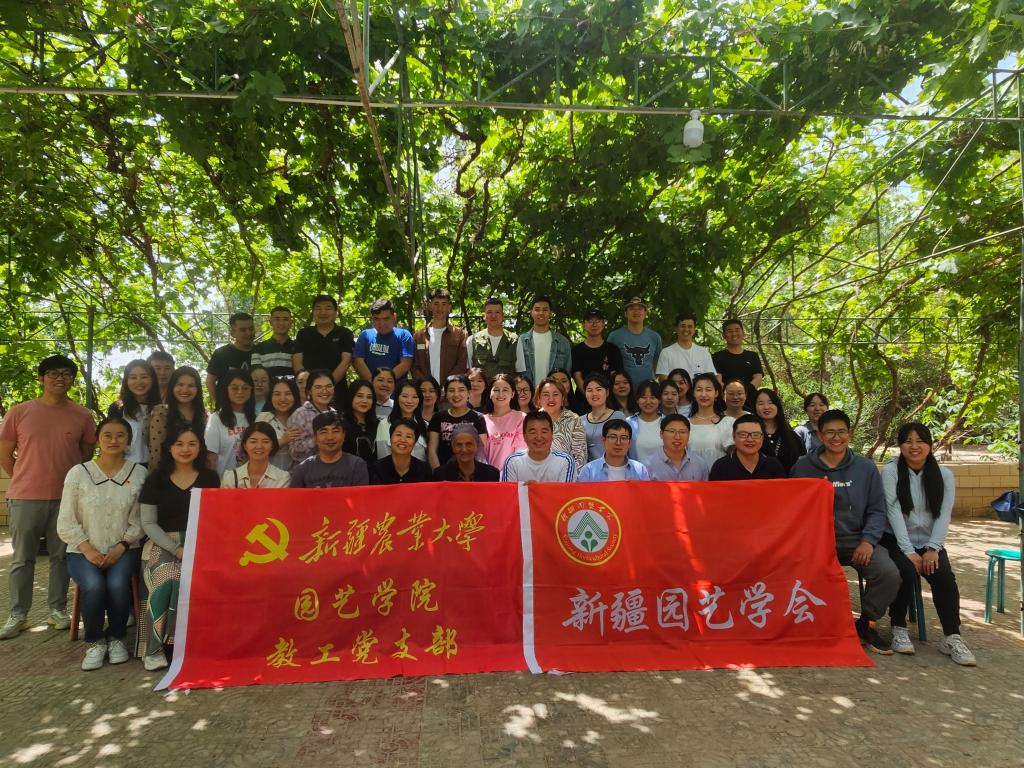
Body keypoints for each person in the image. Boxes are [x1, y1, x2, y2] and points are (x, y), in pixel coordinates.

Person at [0, 355, 97, 640]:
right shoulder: (19, 412)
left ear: (72, 380)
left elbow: (85, 454)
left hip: (67, 499)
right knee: (22, 558)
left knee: (61, 557)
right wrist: (24, 476)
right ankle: (18, 614)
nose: (59, 378)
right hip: (25, 497)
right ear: (41, 378)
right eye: (53, 373)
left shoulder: (82, 415)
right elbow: (4, 453)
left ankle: (57, 610)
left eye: (66, 373)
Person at [791, 409, 901, 654]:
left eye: (841, 432)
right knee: (793, 571)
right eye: (829, 432)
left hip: (855, 540)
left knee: (888, 573)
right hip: (816, 542)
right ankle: (811, 624)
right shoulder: (803, 467)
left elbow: (877, 509)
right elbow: (793, 507)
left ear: (849, 434)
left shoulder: (865, 468)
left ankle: (867, 624)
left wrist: (868, 541)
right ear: (820, 435)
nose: (836, 437)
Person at [879, 423, 975, 664]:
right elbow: (893, 512)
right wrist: (908, 551)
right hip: (896, 540)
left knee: (944, 577)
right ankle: (898, 628)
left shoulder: (944, 475)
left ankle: (952, 636)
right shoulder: (891, 471)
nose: (914, 446)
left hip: (930, 543)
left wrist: (934, 548)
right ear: (900, 445)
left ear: (930, 445)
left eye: (920, 441)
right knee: (906, 571)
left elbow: (944, 514)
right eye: (908, 441)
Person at [57, 415, 146, 670]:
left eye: (120, 435)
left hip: (125, 549)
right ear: (97, 439)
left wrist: (122, 546)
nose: (113, 440)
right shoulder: (79, 473)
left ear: (129, 440)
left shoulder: (139, 473)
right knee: (94, 586)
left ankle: (116, 637)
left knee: (117, 585)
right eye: (107, 435)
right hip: (82, 551)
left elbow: (140, 520)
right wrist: (87, 549)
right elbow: (65, 520)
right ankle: (95, 641)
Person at [137, 426, 220, 669]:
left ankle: (195, 646)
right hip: (162, 542)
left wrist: (198, 545)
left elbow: (215, 517)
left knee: (206, 578)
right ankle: (155, 649)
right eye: (179, 444)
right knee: (169, 577)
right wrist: (176, 549)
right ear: (169, 448)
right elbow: (148, 523)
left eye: (192, 444)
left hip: (202, 541)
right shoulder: (155, 479)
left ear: (200, 448)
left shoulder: (210, 478)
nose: (185, 449)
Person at [147, 366, 207, 471]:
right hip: (167, 473)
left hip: (197, 472)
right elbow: (156, 452)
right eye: (180, 385)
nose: (185, 390)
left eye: (191, 386)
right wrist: (156, 478)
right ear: (172, 387)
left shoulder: (202, 415)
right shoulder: (161, 412)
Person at [290, 412, 369, 488]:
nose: (330, 437)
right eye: (324, 432)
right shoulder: (302, 469)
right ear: (315, 438)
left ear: (344, 435)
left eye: (335, 431)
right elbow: (295, 497)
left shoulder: (357, 465)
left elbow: (361, 496)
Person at [428, 374, 488, 469]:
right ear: (446, 393)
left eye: (461, 390)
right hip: (443, 471)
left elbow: (481, 452)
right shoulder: (438, 417)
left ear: (469, 393)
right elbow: (432, 451)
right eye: (451, 391)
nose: (456, 395)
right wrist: (439, 473)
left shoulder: (478, 418)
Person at [108, 359, 161, 465]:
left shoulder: (161, 409)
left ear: (153, 380)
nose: (139, 382)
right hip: (123, 466)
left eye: (144, 377)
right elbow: (110, 439)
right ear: (126, 381)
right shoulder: (118, 408)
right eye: (133, 377)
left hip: (154, 467)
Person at [292, 294, 354, 384]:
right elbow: (297, 362)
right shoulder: (303, 334)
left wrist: (328, 385)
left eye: (328, 308)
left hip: (337, 387)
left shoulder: (345, 333)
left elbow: (346, 362)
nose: (323, 312)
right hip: (308, 387)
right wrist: (310, 385)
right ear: (313, 312)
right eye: (318, 308)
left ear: (335, 312)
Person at [411, 288, 469, 383]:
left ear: (449, 307)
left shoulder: (459, 335)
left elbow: (461, 364)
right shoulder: (419, 336)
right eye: (436, 304)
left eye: (444, 304)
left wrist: (447, 386)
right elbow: (414, 366)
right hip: (425, 390)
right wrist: (426, 386)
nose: (440, 308)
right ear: (430, 306)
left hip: (450, 390)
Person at [501, 411, 577, 482]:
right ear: (524, 436)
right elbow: (508, 492)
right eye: (533, 432)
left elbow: (564, 492)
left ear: (552, 435)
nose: (539, 437)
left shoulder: (565, 462)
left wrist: (537, 488)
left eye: (544, 432)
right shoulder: (513, 462)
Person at [205, 369, 255, 475]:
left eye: (245, 388)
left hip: (253, 483)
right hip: (224, 482)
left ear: (251, 390)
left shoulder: (257, 418)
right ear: (226, 390)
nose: (240, 392)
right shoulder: (216, 419)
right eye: (234, 388)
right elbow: (210, 459)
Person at [352, 298, 414, 381]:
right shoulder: (365, 335)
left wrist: (384, 382)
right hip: (369, 387)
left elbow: (405, 364)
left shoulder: (403, 335)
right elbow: (358, 361)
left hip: (396, 388)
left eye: (386, 319)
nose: (382, 324)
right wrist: (373, 383)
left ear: (394, 317)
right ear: (372, 319)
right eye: (377, 319)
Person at [516, 295, 572, 386]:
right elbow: (517, 373)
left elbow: (567, 373)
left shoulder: (563, 342)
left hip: (554, 393)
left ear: (550, 313)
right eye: (537, 309)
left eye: (545, 310)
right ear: (531, 312)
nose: (541, 313)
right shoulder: (521, 341)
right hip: (528, 392)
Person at [709, 415, 786, 480]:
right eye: (743, 435)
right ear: (733, 436)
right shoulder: (720, 466)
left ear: (763, 437)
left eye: (755, 435)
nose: (750, 439)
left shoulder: (773, 465)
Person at [607, 296, 662, 387]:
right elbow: (608, 363)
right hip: (623, 390)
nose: (636, 312)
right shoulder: (615, 336)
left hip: (648, 391)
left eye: (640, 309)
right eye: (632, 309)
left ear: (645, 313)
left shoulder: (655, 337)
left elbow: (657, 363)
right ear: (626, 313)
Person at [535, 377, 587, 470]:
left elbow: (580, 457)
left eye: (555, 394)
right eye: (546, 394)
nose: (551, 399)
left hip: (566, 475)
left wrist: (567, 476)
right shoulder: (533, 420)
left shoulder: (573, 419)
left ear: (563, 398)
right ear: (539, 398)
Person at [287, 370, 336, 465]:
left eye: (329, 386)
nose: (324, 391)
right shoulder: (300, 414)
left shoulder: (335, 413)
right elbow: (294, 452)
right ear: (309, 390)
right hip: (307, 470)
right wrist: (317, 439)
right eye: (318, 387)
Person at [712, 318, 764, 408]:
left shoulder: (752, 356)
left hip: (749, 401)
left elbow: (758, 377)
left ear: (743, 333)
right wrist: (731, 394)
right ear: (724, 335)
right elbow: (718, 379)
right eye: (729, 331)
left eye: (737, 330)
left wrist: (744, 393)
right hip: (725, 402)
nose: (734, 334)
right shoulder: (717, 356)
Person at [220, 422, 290, 488]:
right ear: (245, 445)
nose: (259, 446)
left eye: (265, 442)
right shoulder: (230, 477)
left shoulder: (282, 478)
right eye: (253, 441)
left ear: (272, 446)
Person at [571, 307, 624, 394]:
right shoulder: (576, 350)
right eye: (590, 321)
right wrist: (589, 395)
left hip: (608, 397)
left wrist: (603, 395)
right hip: (582, 398)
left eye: (598, 321)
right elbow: (577, 377)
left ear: (603, 324)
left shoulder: (613, 349)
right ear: (583, 325)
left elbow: (615, 377)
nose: (594, 324)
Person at [578, 419, 650, 481]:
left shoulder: (640, 470)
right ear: (603, 440)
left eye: (623, 438)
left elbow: (646, 493)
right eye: (613, 437)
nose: (618, 443)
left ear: (630, 443)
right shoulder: (589, 470)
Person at [643, 414, 709, 481]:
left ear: (689, 435)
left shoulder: (700, 464)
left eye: (682, 432)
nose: (677, 437)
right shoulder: (647, 466)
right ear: (661, 434)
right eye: (672, 431)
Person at [686, 373, 734, 467]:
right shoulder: (685, 424)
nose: (703, 394)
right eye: (699, 390)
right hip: (691, 474)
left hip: (719, 474)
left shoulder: (728, 423)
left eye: (708, 390)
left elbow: (734, 456)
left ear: (716, 393)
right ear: (693, 393)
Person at [206, 311, 255, 403]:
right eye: (243, 330)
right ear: (233, 333)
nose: (248, 333)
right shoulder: (221, 353)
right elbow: (210, 381)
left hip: (254, 408)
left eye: (251, 329)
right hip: (227, 408)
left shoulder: (261, 352)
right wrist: (220, 404)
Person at [656, 312, 717, 383]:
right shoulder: (666, 353)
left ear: (694, 329)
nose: (686, 329)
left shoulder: (704, 352)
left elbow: (710, 379)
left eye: (690, 326)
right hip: (675, 390)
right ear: (676, 328)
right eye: (683, 326)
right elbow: (663, 381)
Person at [754, 388, 805, 473]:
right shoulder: (751, 435)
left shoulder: (791, 436)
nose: (766, 407)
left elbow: (801, 463)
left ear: (777, 405)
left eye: (770, 403)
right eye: (761, 403)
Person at [256, 377, 302, 471]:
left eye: (288, 394)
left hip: (296, 476)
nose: (282, 399)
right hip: (268, 476)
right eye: (277, 394)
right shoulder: (264, 418)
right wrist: (282, 441)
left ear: (295, 396)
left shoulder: (301, 418)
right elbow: (255, 451)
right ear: (271, 397)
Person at [376, 380, 429, 461]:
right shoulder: (384, 425)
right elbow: (382, 457)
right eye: (405, 396)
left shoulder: (425, 425)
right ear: (397, 397)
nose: (409, 401)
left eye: (414, 397)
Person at [466, 297, 518, 379]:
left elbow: (520, 372)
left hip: (505, 387)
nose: (493, 316)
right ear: (484, 316)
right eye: (489, 312)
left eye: (497, 312)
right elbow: (468, 371)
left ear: (503, 316)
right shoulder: (472, 340)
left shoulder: (515, 340)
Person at [370, 418, 433, 484]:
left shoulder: (424, 470)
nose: (403, 440)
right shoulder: (376, 469)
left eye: (408, 436)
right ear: (390, 438)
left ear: (415, 442)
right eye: (398, 435)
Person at [483, 373, 527, 469]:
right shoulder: (482, 420)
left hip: (513, 474)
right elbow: (480, 455)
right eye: (496, 390)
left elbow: (520, 454)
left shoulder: (521, 418)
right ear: (490, 393)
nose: (500, 394)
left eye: (505, 390)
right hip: (488, 475)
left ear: (513, 394)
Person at [581, 373, 625, 461]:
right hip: (589, 468)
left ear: (607, 392)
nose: (594, 394)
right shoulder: (580, 420)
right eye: (589, 390)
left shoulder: (618, 416)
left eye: (598, 389)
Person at [433, 424, 501, 481]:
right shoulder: (441, 475)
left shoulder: (491, 474)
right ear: (453, 447)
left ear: (477, 445)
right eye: (459, 445)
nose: (464, 450)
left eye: (469, 444)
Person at [625, 380, 665, 464]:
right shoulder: (628, 423)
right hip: (635, 472)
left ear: (659, 400)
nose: (648, 402)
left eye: (652, 397)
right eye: (643, 397)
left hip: (664, 472)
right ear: (637, 399)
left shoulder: (667, 423)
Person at [341, 379, 380, 464]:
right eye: (360, 396)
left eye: (369, 397)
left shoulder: (378, 425)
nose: (365, 401)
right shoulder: (341, 424)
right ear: (351, 397)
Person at [251, 306, 295, 379]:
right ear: (270, 322)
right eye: (277, 319)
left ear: (291, 322)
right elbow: (257, 377)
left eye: (285, 319)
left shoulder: (297, 348)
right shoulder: (258, 349)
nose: (281, 323)